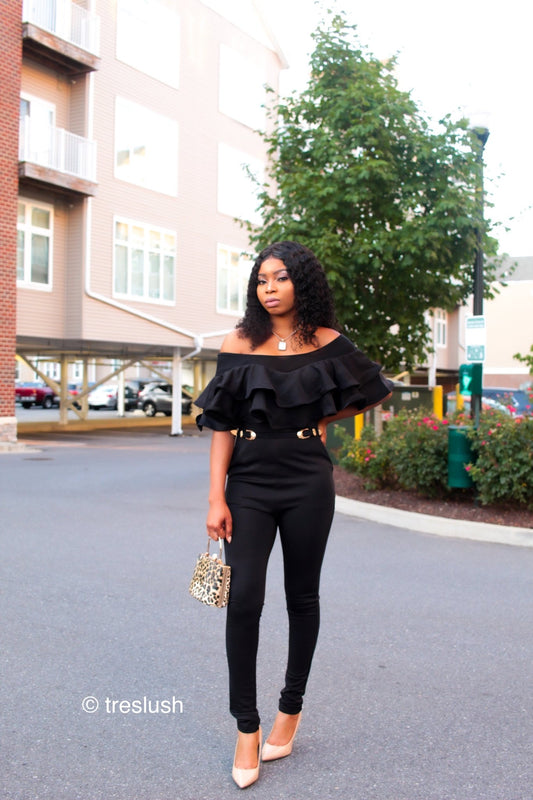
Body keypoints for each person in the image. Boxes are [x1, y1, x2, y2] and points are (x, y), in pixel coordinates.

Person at [195, 241, 392, 788]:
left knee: (302, 596)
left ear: (301, 282)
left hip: (309, 479)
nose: (270, 288)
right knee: (245, 598)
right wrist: (216, 498)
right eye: (262, 280)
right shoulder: (238, 343)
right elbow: (220, 426)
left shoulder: (326, 342)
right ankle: (246, 726)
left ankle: (290, 708)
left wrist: (324, 412)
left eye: (280, 278)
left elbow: (370, 390)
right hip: (249, 483)